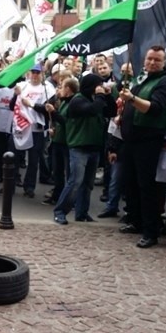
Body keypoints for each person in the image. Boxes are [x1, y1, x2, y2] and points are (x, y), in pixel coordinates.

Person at [118, 45, 166, 248]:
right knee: (129, 183)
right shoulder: (141, 78)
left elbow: (155, 108)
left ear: (164, 62)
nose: (152, 62)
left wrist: (132, 98)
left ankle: (151, 231)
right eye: (150, 58)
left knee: (147, 187)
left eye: (157, 60)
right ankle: (136, 221)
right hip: (131, 140)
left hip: (148, 141)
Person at [53, 74, 117, 225]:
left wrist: (107, 97)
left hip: (94, 147)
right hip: (79, 146)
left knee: (87, 183)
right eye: (98, 85)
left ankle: (82, 213)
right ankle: (60, 211)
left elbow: (112, 112)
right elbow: (92, 110)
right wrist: (101, 96)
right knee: (75, 181)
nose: (100, 87)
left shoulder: (97, 99)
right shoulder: (77, 100)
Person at [9, 63, 56, 198]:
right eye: (33, 72)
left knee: (33, 160)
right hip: (20, 127)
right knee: (13, 157)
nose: (35, 75)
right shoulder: (22, 86)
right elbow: (12, 106)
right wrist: (15, 96)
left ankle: (29, 187)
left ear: (42, 74)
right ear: (28, 73)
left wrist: (32, 105)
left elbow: (48, 110)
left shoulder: (48, 88)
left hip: (36, 129)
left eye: (38, 72)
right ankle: (10, 185)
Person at [44, 77, 79, 206]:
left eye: (62, 87)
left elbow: (66, 121)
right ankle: (57, 195)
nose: (59, 89)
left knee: (69, 173)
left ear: (68, 89)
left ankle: (71, 200)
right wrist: (54, 128)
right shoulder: (63, 102)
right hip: (58, 140)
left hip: (67, 142)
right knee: (57, 171)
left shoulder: (74, 103)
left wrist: (53, 112)